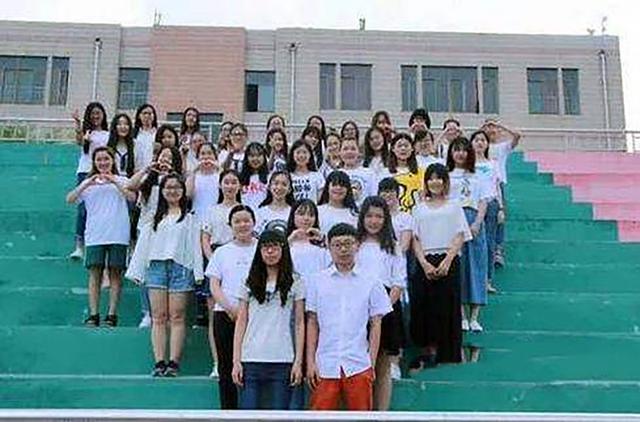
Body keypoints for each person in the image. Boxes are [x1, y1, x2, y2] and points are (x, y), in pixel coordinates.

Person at [306, 223, 392, 411]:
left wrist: (371, 362)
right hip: (325, 363)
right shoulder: (317, 280)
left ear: (357, 245)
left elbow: (376, 323)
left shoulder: (372, 280)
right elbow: (312, 323)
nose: (343, 249)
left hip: (358, 362)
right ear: (328, 247)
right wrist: (311, 362)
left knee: (360, 415)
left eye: (348, 244)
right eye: (337, 245)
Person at [126, 173, 203, 377]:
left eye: (177, 187)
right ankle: (159, 361)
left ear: (183, 191)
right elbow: (143, 246)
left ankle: (174, 362)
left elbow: (195, 247)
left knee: (177, 316)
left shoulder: (191, 219)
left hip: (181, 268)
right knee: (158, 316)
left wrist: (198, 273)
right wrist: (137, 271)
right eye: (168, 187)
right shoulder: (153, 217)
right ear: (162, 191)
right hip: (156, 268)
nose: (173, 191)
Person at [232, 229, 305, 409]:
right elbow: (241, 321)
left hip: (283, 359)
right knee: (247, 415)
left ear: (283, 250)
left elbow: (299, 323)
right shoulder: (248, 281)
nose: (270, 252)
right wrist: (236, 361)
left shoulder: (296, 281)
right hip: (251, 358)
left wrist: (298, 362)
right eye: (265, 248)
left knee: (279, 416)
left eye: (275, 247)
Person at [409, 163, 470, 369]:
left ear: (445, 182)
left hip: (448, 260)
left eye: (439, 178)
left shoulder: (454, 206)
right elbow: (415, 238)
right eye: (431, 178)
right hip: (425, 261)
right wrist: (424, 264)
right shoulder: (418, 208)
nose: (435, 182)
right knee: (424, 306)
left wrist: (447, 260)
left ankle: (450, 355)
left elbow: (460, 235)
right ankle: (428, 352)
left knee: (448, 307)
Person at [65, 146, 134, 327]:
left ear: (113, 161)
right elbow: (70, 199)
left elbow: (132, 197)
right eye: (99, 160)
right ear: (94, 162)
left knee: (115, 274)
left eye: (106, 159)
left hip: (118, 234)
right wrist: (87, 184)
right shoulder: (89, 183)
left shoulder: (122, 179)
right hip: (95, 235)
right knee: (95, 274)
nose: (103, 163)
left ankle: (112, 314)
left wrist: (114, 181)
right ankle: (94, 314)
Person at [356, 197, 407, 411]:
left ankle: (381, 413)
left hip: (386, 307)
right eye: (369, 216)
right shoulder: (355, 245)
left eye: (379, 216)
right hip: (356, 305)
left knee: (383, 365)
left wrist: (381, 309)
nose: (374, 221)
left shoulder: (393, 247)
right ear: (362, 218)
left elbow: (398, 282)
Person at [206, 205, 258, 409]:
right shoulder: (222, 252)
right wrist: (230, 308)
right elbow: (214, 285)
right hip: (225, 314)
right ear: (230, 225)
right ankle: (229, 411)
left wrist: (246, 312)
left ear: (254, 223)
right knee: (226, 366)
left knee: (251, 365)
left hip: (255, 316)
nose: (242, 225)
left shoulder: (261, 248)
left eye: (246, 220)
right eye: (237, 221)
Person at [128, 146, 183, 328]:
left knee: (165, 271)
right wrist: (147, 169)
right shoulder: (149, 179)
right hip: (146, 230)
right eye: (162, 156)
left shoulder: (178, 181)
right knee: (145, 272)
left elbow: (187, 195)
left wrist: (172, 175)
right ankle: (147, 312)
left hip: (169, 231)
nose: (165, 160)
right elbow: (130, 186)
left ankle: (164, 314)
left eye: (169, 157)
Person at [200, 169, 242, 377]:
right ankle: (217, 362)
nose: (230, 186)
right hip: (216, 259)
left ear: (239, 186)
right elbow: (205, 239)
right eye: (226, 182)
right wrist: (214, 261)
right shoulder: (211, 210)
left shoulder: (244, 210)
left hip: (239, 262)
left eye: (234, 182)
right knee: (214, 314)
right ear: (220, 185)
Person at [447, 137, 490, 332]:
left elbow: (483, 201)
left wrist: (477, 222)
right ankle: (462, 315)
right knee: (460, 267)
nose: (460, 154)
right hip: (454, 221)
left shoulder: (478, 175)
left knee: (477, 265)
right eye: (456, 149)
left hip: (473, 220)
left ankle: (475, 317)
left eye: (464, 150)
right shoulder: (447, 175)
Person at [69, 102, 109, 260]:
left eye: (98, 113)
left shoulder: (108, 134)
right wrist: (78, 124)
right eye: (93, 113)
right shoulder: (87, 132)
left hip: (103, 172)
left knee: (102, 208)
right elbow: (79, 142)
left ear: (103, 115)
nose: (95, 116)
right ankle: (79, 246)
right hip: (85, 172)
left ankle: (98, 242)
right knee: (83, 209)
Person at [482, 119, 521, 267]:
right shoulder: (480, 145)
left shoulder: (502, 147)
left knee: (500, 217)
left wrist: (500, 126)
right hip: (482, 184)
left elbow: (517, 135)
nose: (491, 129)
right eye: (488, 127)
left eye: (493, 127)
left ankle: (498, 249)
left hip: (498, 185)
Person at [471, 130, 503, 294]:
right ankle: (474, 280)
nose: (479, 143)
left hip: (490, 204)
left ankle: (487, 280)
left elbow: (497, 187)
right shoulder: (466, 165)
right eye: (476, 140)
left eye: (483, 140)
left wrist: (501, 208)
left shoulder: (493, 164)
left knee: (489, 243)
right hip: (472, 204)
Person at [382, 133, 425, 213]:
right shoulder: (384, 173)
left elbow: (423, 197)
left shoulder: (421, 172)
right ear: (393, 149)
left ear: (412, 149)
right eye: (399, 146)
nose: (403, 148)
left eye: (406, 145)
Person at [317, 170, 358, 236]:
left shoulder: (354, 214)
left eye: (342, 185)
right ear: (327, 187)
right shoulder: (317, 211)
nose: (338, 188)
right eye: (334, 185)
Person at [339, 137, 376, 207]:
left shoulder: (369, 173)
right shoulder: (335, 174)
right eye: (345, 149)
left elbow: (374, 197)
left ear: (359, 152)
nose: (349, 152)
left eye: (353, 149)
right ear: (339, 152)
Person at [239, 142, 269, 211]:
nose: (255, 159)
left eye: (259, 155)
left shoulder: (270, 177)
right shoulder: (240, 178)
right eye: (252, 156)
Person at [107, 113, 136, 178]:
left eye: (126, 124)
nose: (123, 127)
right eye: (119, 124)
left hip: (130, 180)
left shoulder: (135, 144)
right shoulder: (108, 144)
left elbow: (137, 167)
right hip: (112, 178)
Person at [132, 103, 158, 172]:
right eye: (144, 113)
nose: (147, 116)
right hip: (136, 171)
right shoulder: (133, 134)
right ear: (139, 116)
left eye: (150, 113)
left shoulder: (158, 134)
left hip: (153, 171)